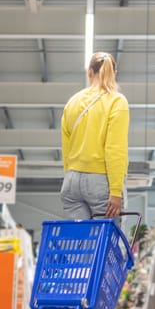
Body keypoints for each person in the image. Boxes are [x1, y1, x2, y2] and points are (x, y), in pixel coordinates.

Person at [60, 52, 129, 219]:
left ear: (89, 72)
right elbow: (115, 150)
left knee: (81, 240)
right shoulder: (116, 101)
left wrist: (71, 176)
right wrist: (115, 191)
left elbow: (66, 149)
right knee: (105, 241)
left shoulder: (72, 102)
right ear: (114, 74)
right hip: (100, 183)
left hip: (70, 183)